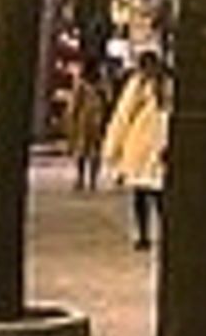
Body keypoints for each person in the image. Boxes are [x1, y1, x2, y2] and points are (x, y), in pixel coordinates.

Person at [103, 49, 169, 249]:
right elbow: (123, 116)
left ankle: (145, 235)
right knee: (155, 196)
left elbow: (122, 117)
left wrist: (112, 149)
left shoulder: (143, 86)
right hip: (148, 146)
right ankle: (150, 234)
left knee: (147, 196)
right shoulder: (158, 86)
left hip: (145, 146)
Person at [66, 63, 110, 191]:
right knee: (84, 151)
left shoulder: (101, 84)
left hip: (92, 120)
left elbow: (108, 99)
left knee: (92, 152)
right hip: (86, 120)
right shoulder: (82, 84)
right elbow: (75, 103)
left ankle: (89, 179)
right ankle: (84, 178)